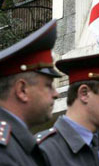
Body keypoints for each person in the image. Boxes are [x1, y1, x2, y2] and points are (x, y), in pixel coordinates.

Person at [0, 20, 61, 166]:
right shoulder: (5, 150)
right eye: (48, 85)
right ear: (22, 90)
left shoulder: (17, 144)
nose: (56, 94)